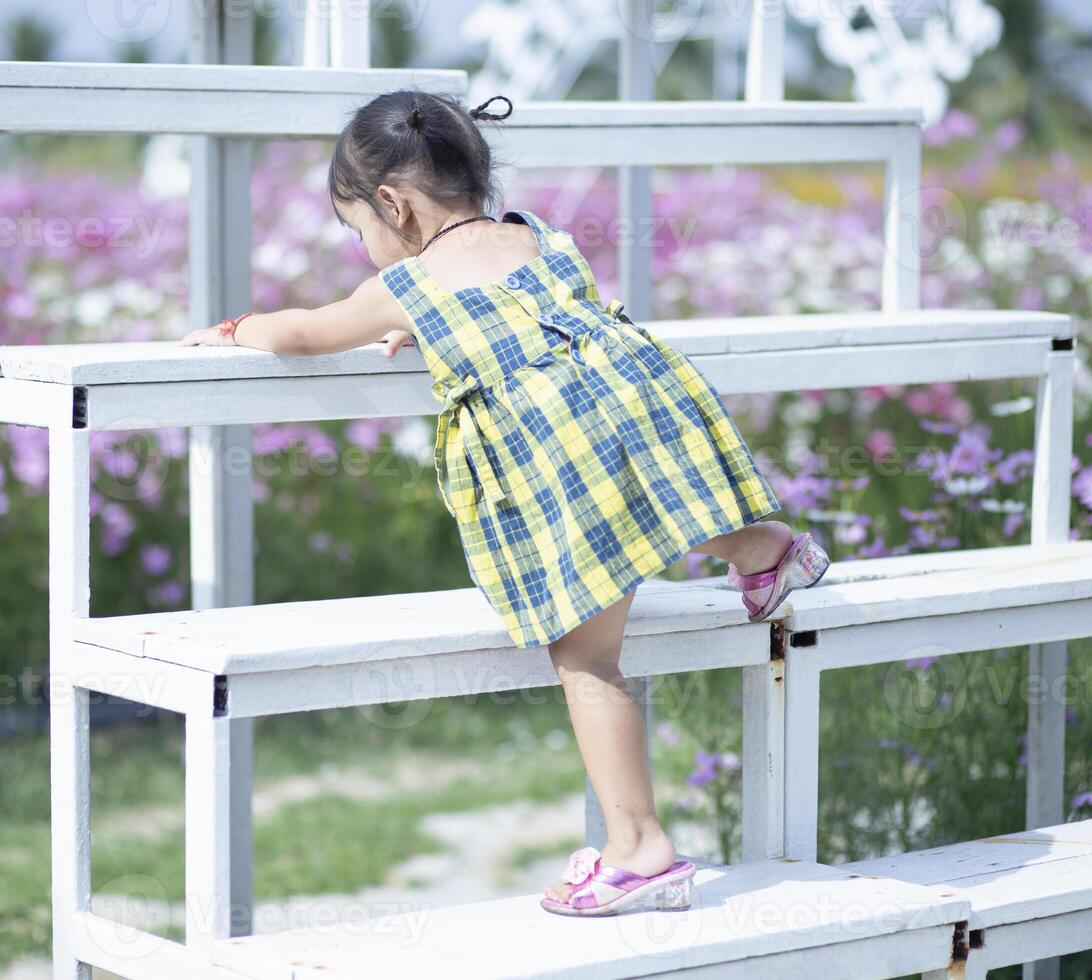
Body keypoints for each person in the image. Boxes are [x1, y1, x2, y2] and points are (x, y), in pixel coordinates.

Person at [180, 89, 830, 917]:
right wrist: (438, 327)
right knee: (659, 502)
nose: (367, 252)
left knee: (588, 661)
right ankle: (768, 547)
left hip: (562, 452)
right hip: (635, 406)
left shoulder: (412, 283)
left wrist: (237, 330)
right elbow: (512, 315)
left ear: (394, 205)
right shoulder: (540, 240)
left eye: (360, 233)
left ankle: (639, 849)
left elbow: (308, 330)